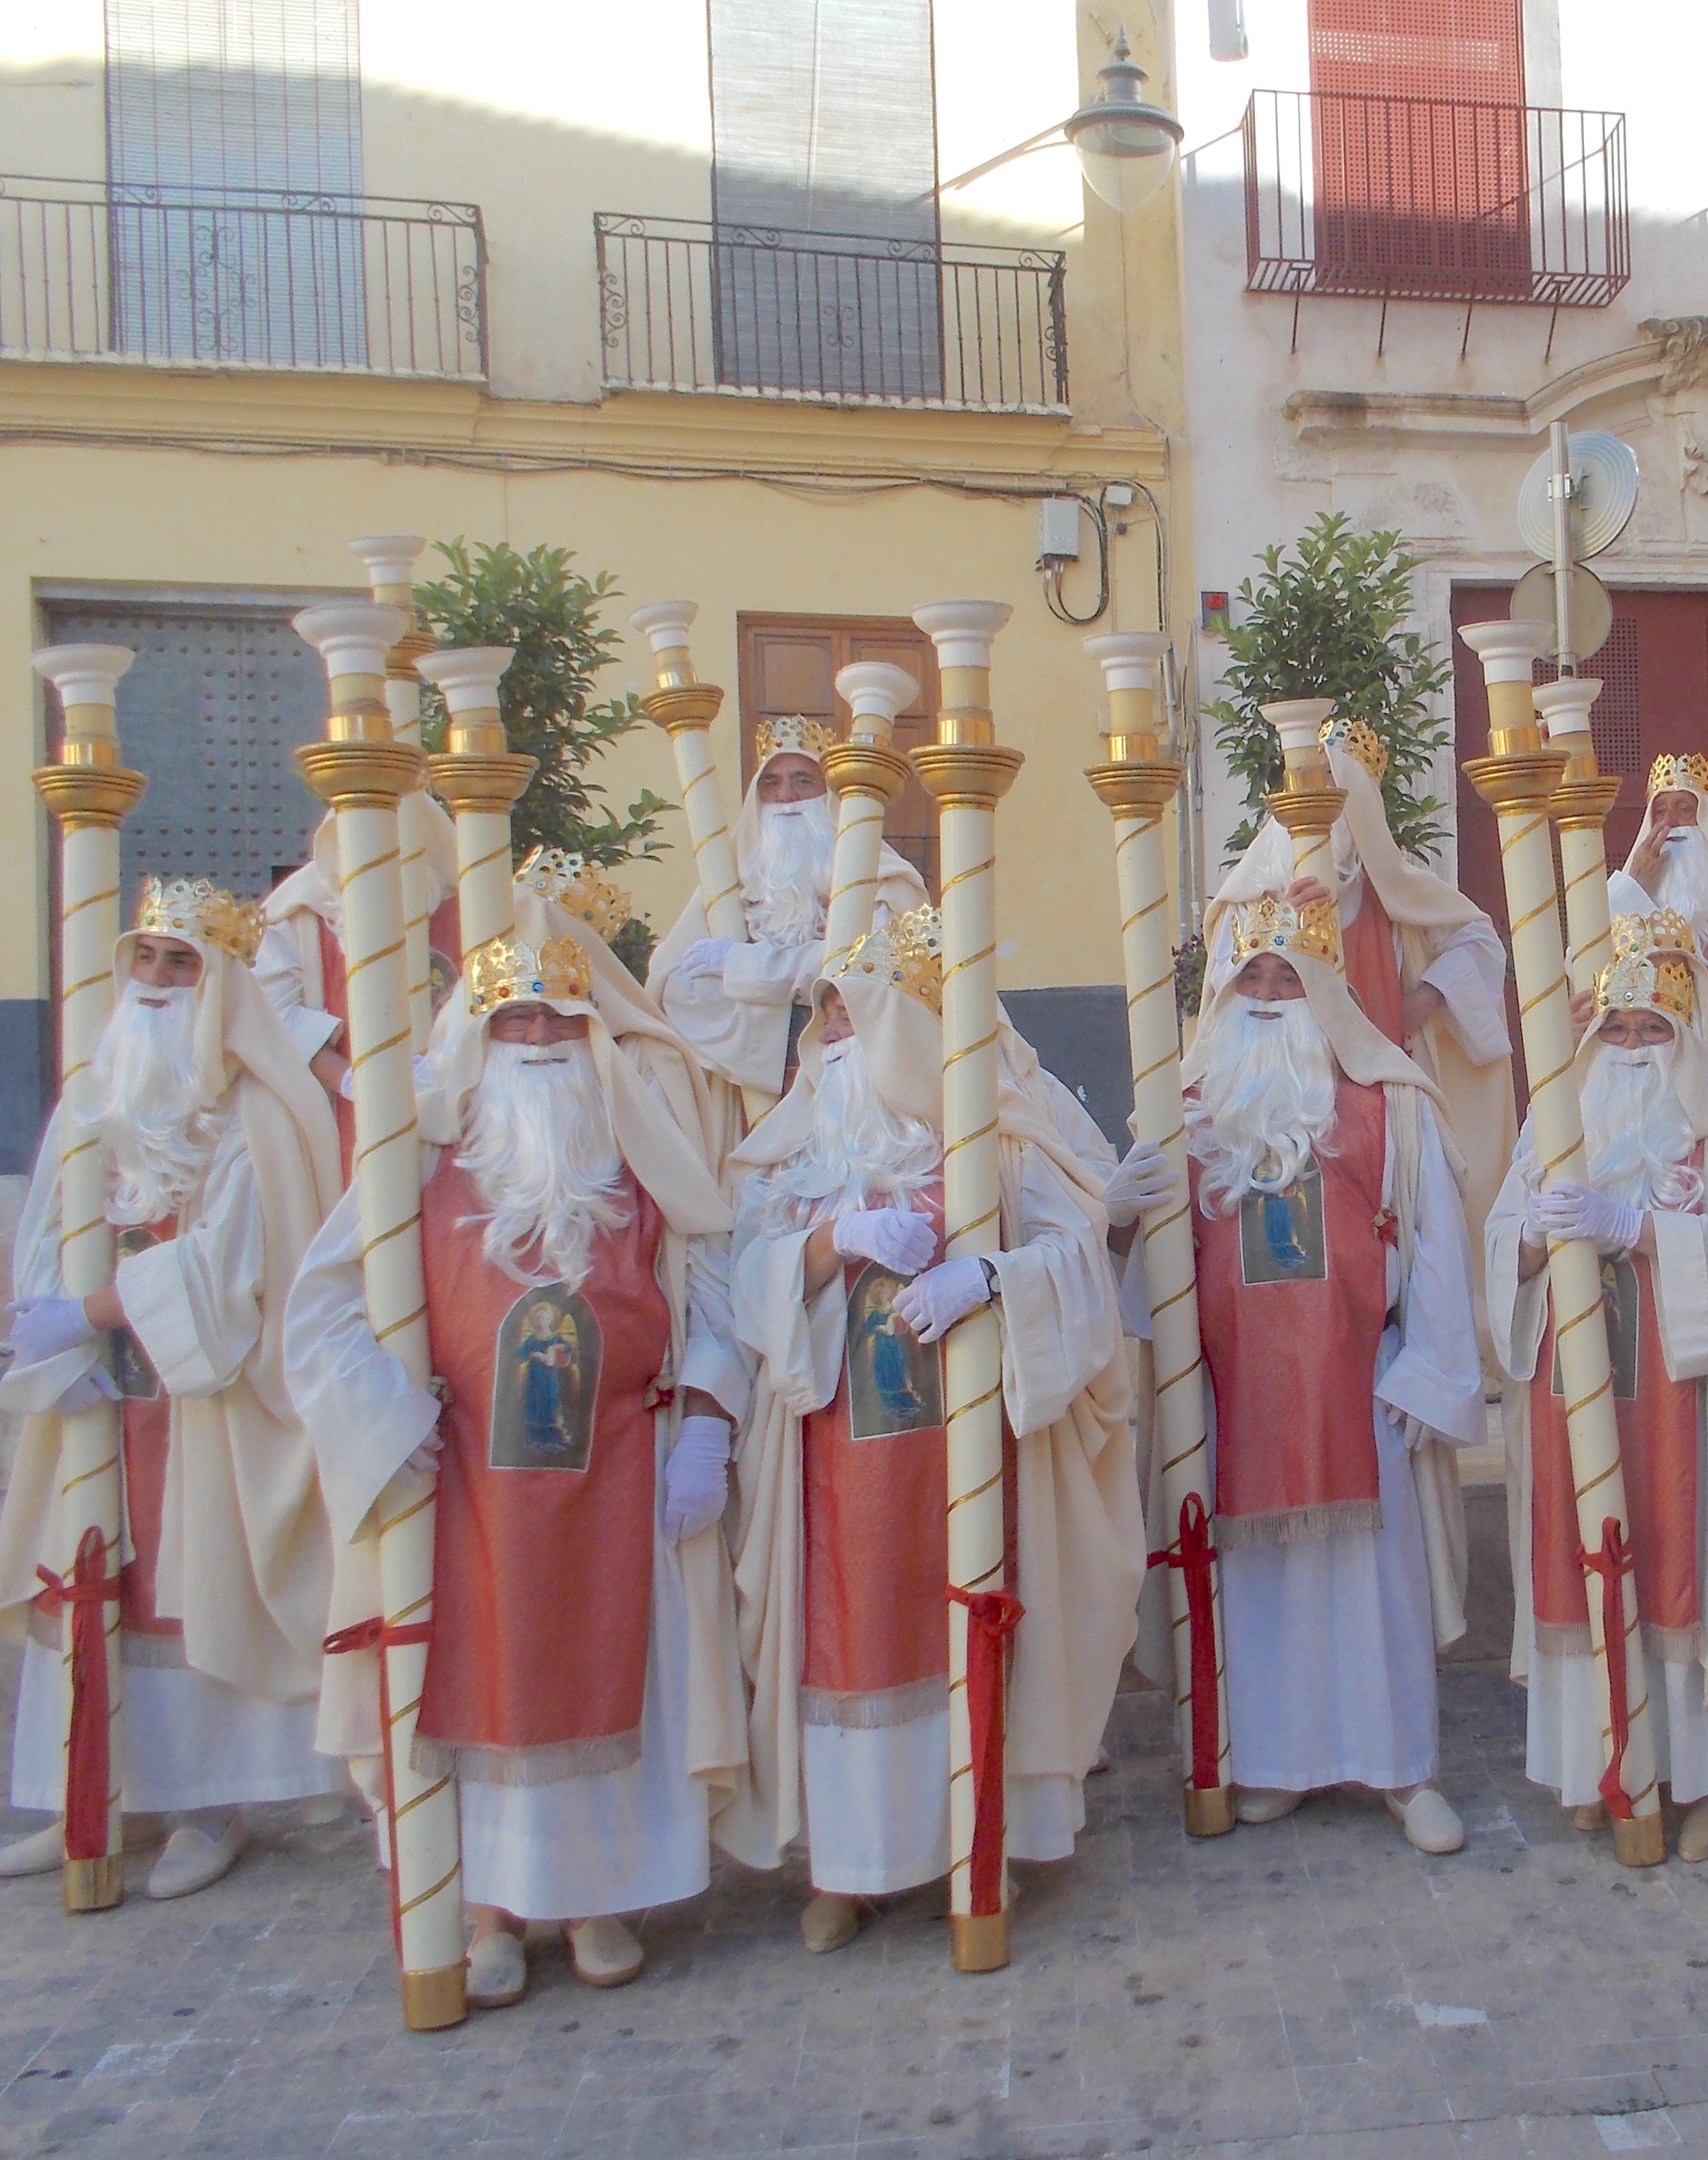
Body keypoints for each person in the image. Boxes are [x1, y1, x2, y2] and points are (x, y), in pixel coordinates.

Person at [285, 890, 750, 2004]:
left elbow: (723, 1296)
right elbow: (322, 1306)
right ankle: (486, 1910)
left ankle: (594, 1905)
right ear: (478, 1039)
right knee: (476, 1684)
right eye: (514, 1023)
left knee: (612, 1681)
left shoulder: (643, 1168)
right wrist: (377, 1423)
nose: (537, 1042)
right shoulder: (419, 1166)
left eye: (556, 1022)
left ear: (591, 1038)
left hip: (623, 1485)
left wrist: (707, 1422)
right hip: (467, 1492)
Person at [719, 909, 1143, 1950]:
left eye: (858, 1014)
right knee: (849, 1649)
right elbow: (739, 1286)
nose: (837, 1038)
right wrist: (830, 1242)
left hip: (981, 1464)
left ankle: (978, 1841)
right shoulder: (786, 1157)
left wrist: (989, 1275)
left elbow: (1080, 1259)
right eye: (827, 1017)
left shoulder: (996, 1132)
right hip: (838, 1469)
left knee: (971, 1627)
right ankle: (849, 1869)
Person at [0, 880, 344, 1896]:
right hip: (98, 1391)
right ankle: (88, 1796)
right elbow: (45, 1234)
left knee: (182, 1590)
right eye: (144, 958)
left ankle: (205, 1806)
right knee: (88, 1576)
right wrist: (44, 1324)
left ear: (221, 984)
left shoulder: (258, 1107)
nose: (156, 981)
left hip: (199, 1396)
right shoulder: (94, 1087)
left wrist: (95, 1310)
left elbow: (231, 1266)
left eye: (182, 963)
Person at [1486, 906, 1708, 1861]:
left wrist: (1633, 1231)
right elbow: (1503, 1245)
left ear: (1685, 1036)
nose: (1633, 1049)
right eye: (1617, 1030)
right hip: (1576, 1403)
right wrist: (1531, 1237)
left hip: (1696, 1413)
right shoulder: (1555, 1125)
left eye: (1651, 1031)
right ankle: (1608, 1761)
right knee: (1592, 1555)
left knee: (1690, 1569)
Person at [1181, 891, 1481, 1853]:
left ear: (1322, 993)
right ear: (1223, 994)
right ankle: (1282, 1765)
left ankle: (1403, 1772)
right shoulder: (1189, 1114)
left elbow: (1437, 1240)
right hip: (1238, 1401)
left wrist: (1432, 1372)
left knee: (1373, 1595)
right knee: (1264, 1596)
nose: (1269, 996)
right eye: (1250, 978)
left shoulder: (1388, 1105)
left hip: (1364, 1390)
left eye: (1289, 977)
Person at [1209, 718, 1515, 1274]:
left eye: (1330, 781)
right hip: (1284, 1095)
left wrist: (1426, 996)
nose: (1316, 798)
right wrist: (1285, 925)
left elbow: (1478, 941)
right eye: (1305, 779)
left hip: (1381, 1102)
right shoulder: (1253, 891)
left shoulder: (1394, 890)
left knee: (1397, 1242)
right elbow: (1227, 989)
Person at [646, 716, 930, 1102]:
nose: (786, 796)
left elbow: (871, 968)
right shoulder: (735, 875)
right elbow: (673, 981)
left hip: (854, 1071)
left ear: (828, 794)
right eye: (771, 783)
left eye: (802, 781)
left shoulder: (880, 875)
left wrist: (744, 969)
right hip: (752, 1089)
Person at [254, 792, 462, 1166]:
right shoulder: (297, 914)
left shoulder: (469, 908)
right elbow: (270, 1013)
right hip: (339, 1115)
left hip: (454, 1113)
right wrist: (352, 1081)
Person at [1619, 753, 1708, 1044]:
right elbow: (1586, 969)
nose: (1669, 823)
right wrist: (1634, 888)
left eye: (1684, 809)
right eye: (1659, 812)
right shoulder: (1626, 897)